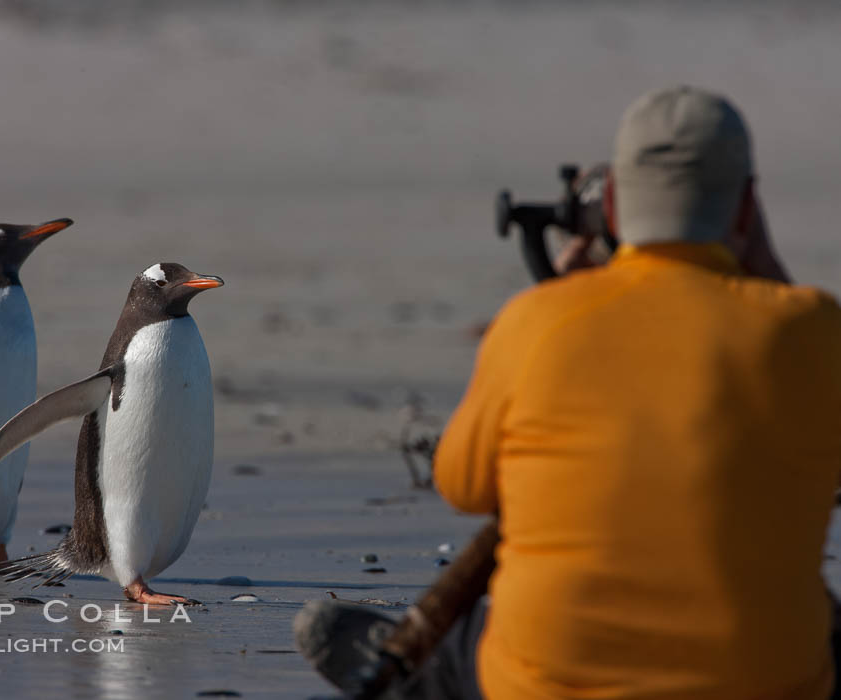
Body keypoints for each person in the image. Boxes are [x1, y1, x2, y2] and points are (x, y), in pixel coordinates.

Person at [294, 85, 841, 699]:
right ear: (746, 209)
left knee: (472, 641)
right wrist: (767, 275)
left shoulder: (537, 321)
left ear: (609, 203)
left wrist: (566, 300)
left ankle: (408, 675)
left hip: (546, 686)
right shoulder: (813, 328)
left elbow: (462, 485)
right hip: (766, 683)